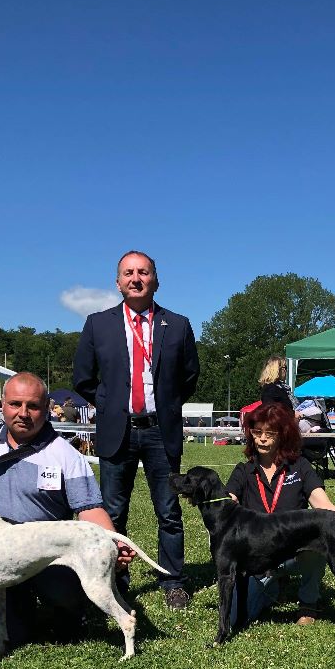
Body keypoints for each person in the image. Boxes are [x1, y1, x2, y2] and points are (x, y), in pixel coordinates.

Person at [0, 372, 135, 645]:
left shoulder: (66, 454)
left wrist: (113, 545)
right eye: (15, 404)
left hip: (47, 553)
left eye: (33, 406)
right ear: (2, 404)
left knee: (67, 617)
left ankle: (71, 608)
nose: (23, 413)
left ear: (47, 407)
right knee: (15, 636)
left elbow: (89, 508)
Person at [73, 250, 200, 609]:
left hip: (162, 430)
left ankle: (173, 580)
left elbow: (189, 375)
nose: (136, 278)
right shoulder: (98, 324)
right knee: (113, 512)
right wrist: (112, 402)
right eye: (128, 273)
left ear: (155, 280)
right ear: (118, 282)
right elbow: (83, 378)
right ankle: (116, 579)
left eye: (143, 272)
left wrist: (168, 403)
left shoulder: (177, 324)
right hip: (118, 430)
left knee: (169, 511)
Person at [226, 402, 335, 625]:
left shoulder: (300, 467)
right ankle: (271, 588)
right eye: (257, 432)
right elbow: (227, 502)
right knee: (238, 617)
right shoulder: (243, 470)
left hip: (294, 553)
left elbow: (325, 507)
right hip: (257, 557)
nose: (262, 438)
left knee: (318, 536)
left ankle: (308, 603)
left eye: (270, 433)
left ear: (283, 435)